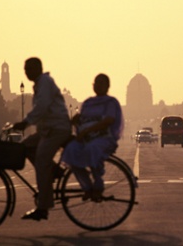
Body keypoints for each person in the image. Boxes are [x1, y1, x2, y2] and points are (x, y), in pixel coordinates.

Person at [13, 57, 72, 221]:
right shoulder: (40, 84)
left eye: (29, 69)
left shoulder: (44, 82)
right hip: (48, 129)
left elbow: (43, 106)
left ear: (38, 69)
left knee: (41, 161)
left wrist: (25, 122)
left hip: (57, 129)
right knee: (25, 147)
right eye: (25, 69)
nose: (26, 72)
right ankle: (54, 171)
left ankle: (43, 207)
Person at [62, 73, 123, 201]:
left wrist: (88, 130)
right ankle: (87, 186)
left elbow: (109, 120)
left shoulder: (110, 103)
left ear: (107, 86)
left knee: (92, 148)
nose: (98, 86)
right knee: (70, 150)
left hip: (104, 138)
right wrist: (76, 120)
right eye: (96, 83)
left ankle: (98, 184)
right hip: (86, 138)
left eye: (101, 83)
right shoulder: (88, 103)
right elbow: (83, 120)